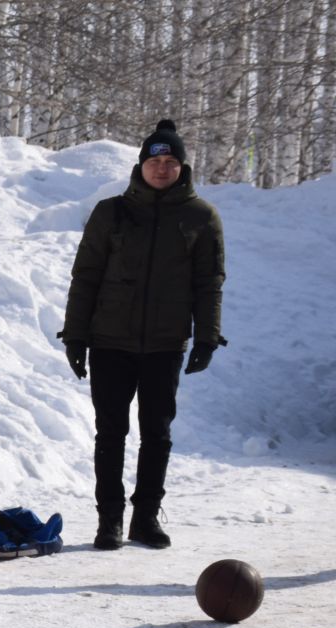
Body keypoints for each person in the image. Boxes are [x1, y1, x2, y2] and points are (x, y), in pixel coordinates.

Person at [60, 119, 225, 551]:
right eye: (156, 159)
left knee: (158, 433)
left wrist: (206, 336)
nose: (162, 168)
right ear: (141, 164)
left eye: (171, 161)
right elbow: (86, 277)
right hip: (110, 340)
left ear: (182, 167)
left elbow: (209, 282)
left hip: (165, 344)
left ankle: (145, 518)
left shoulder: (200, 217)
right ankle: (109, 521)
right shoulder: (111, 212)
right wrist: (76, 337)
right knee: (110, 433)